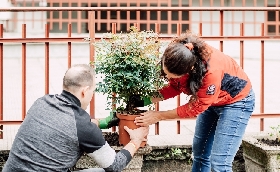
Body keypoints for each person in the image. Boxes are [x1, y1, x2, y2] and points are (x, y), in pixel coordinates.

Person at [132, 31, 255, 172]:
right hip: (212, 101)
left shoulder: (211, 73)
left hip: (237, 102)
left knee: (220, 164)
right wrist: (144, 100)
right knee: (200, 154)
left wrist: (158, 115)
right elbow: (175, 86)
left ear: (190, 69)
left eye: (169, 75)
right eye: (165, 72)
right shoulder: (179, 54)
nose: (166, 76)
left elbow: (196, 107)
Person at [3, 64, 149, 172]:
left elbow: (64, 123)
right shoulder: (83, 127)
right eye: (93, 90)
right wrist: (136, 141)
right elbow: (115, 165)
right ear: (85, 91)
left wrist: (101, 122)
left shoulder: (41, 102)